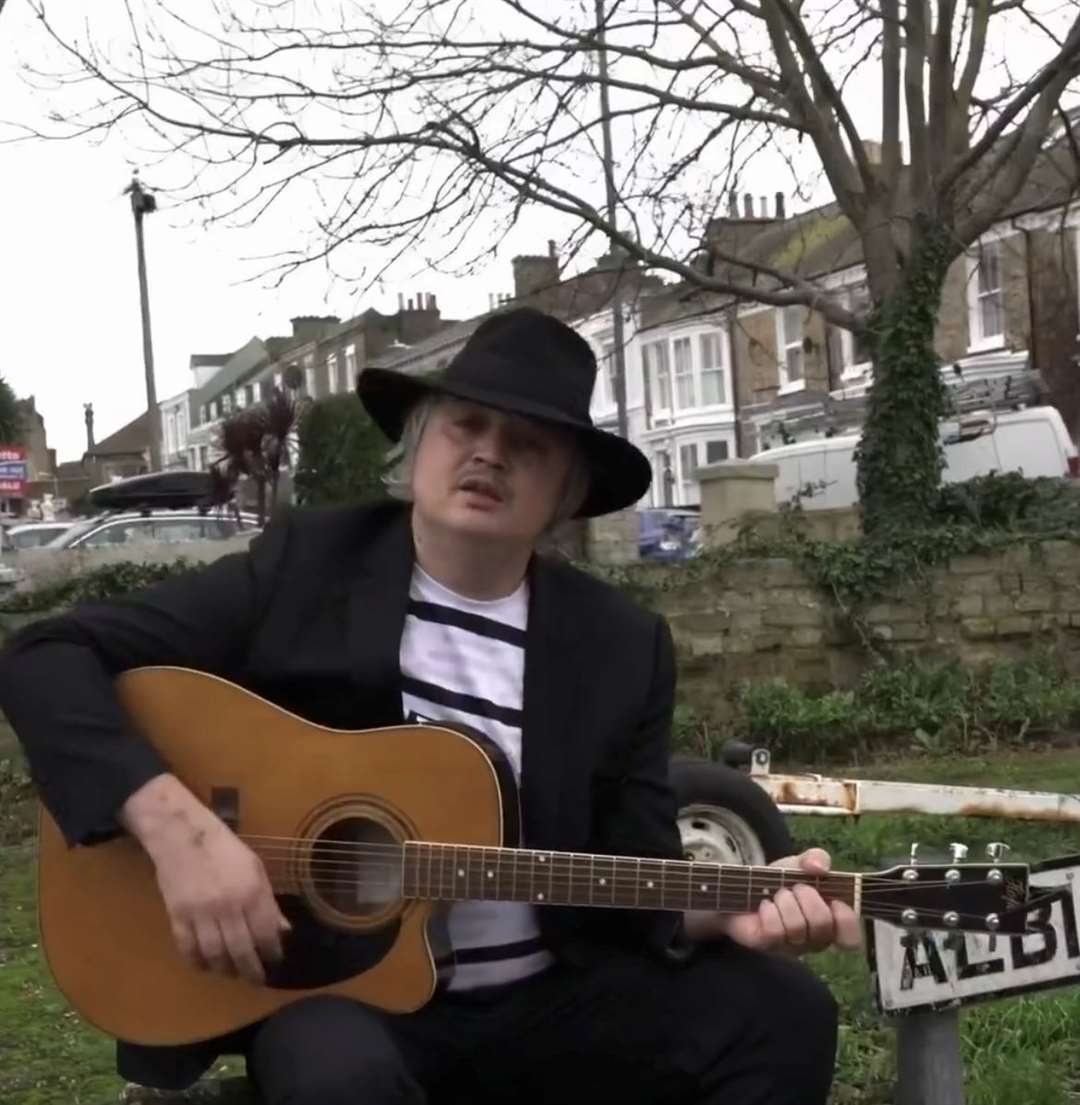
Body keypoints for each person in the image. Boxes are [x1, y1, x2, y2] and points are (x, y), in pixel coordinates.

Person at [0, 307, 859, 1105]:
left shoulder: (620, 645)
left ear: (566, 491)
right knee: (338, 1074)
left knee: (783, 1012)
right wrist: (182, 836)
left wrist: (740, 903)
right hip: (350, 1001)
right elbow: (43, 657)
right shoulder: (309, 569)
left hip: (547, 1000)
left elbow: (628, 873)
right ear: (419, 448)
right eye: (466, 425)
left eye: (526, 442)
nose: (488, 453)